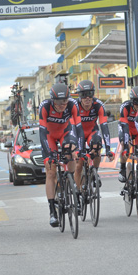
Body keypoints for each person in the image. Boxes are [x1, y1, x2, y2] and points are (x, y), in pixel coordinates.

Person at [39, 83, 84, 228]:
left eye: (64, 101)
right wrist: (49, 154)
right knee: (51, 172)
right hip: (49, 136)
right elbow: (42, 132)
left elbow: (78, 127)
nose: (62, 105)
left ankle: (68, 180)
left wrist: (80, 149)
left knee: (71, 153)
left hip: (65, 132)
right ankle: (52, 211)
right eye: (59, 102)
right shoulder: (44, 107)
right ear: (52, 100)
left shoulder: (72, 105)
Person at [73, 80, 114, 196]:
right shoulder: (75, 106)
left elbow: (104, 127)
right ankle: (78, 193)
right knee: (79, 164)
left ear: (93, 95)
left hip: (91, 131)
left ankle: (94, 171)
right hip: (77, 133)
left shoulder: (98, 105)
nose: (87, 98)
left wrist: (108, 149)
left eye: (89, 94)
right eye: (83, 95)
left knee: (97, 144)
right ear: (79, 96)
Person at [117, 86, 138, 186]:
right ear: (131, 101)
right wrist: (126, 143)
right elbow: (124, 125)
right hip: (127, 129)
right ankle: (122, 168)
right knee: (125, 144)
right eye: (136, 102)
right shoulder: (125, 107)